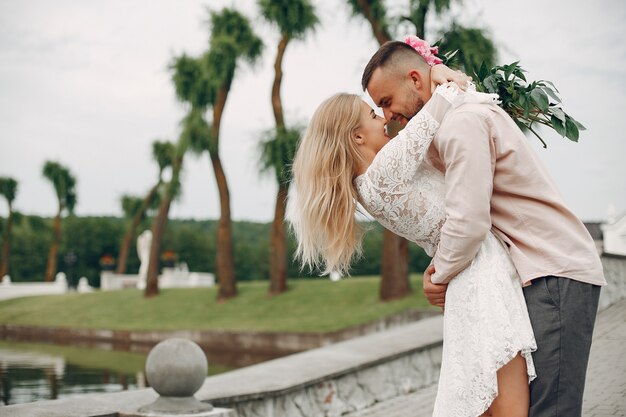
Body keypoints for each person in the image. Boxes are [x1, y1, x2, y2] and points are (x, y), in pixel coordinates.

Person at [359, 39, 607, 417]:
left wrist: (438, 277)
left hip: (552, 269)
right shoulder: (454, 115)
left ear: (414, 78)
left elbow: (469, 221)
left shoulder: (462, 123)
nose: (388, 115)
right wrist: (444, 79)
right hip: (539, 270)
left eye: (387, 102)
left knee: (551, 409)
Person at [291, 74, 537, 415]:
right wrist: (437, 72)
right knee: (510, 407)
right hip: (482, 277)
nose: (387, 118)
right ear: (357, 136)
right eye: (375, 115)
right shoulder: (384, 172)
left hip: (465, 280)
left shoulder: (367, 190)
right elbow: (449, 95)